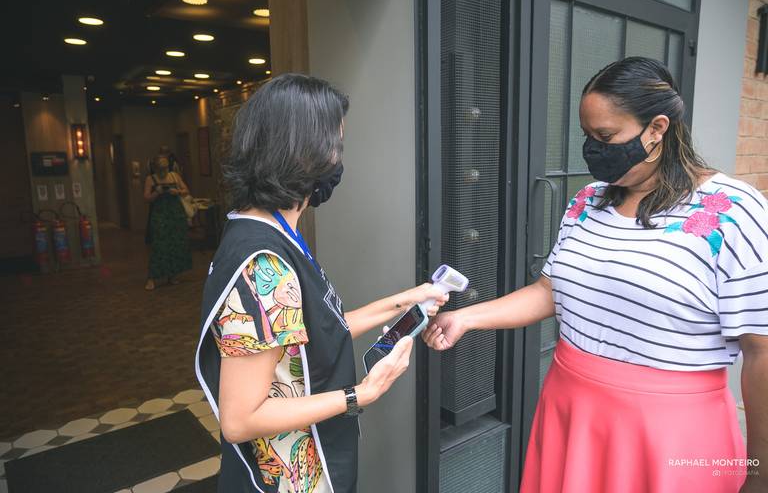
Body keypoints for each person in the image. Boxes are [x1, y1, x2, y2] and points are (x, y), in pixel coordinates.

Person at [423, 57, 768, 492]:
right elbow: (551, 290)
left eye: (606, 137)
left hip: (669, 432)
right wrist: (468, 317)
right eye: (588, 137)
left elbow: (762, 350)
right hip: (572, 409)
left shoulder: (733, 211)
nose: (594, 150)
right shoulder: (588, 201)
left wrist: (761, 474)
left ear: (657, 129)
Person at [195, 74, 449, 493]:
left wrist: (408, 298)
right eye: (336, 145)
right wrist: (360, 395)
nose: (337, 159)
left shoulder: (266, 231)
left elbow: (316, 328)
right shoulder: (263, 263)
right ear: (302, 152)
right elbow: (239, 420)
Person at [143, 152, 193, 290]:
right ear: (155, 168)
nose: (164, 172)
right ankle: (152, 277)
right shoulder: (150, 179)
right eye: (161, 169)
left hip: (175, 214)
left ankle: (172, 275)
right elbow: (146, 197)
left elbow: (186, 190)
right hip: (160, 215)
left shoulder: (174, 176)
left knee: (176, 244)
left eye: (165, 168)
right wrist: (156, 192)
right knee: (159, 245)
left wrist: (177, 192)